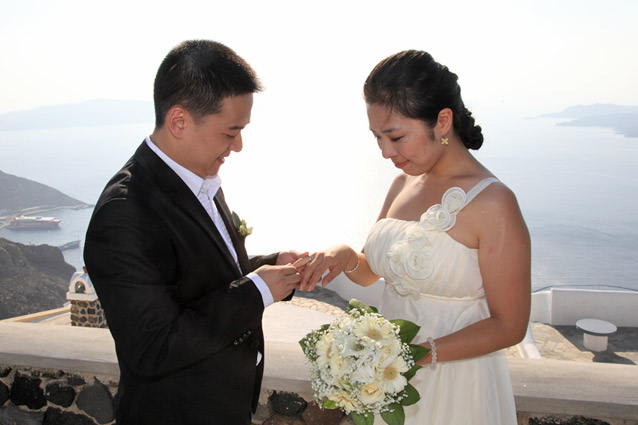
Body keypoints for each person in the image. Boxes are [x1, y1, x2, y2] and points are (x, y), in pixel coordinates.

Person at [299, 50, 531, 424]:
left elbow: (510, 325)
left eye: (396, 136)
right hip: (386, 378)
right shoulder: (402, 183)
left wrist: (413, 355)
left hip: (456, 384)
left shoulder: (494, 203)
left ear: (442, 122)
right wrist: (342, 255)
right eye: (377, 138)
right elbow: (369, 271)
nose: (385, 152)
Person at [84, 40, 307, 425]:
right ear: (179, 122)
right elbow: (155, 347)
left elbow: (201, 277)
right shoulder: (124, 212)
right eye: (230, 132)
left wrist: (270, 266)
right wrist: (258, 290)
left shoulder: (197, 178)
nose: (238, 145)